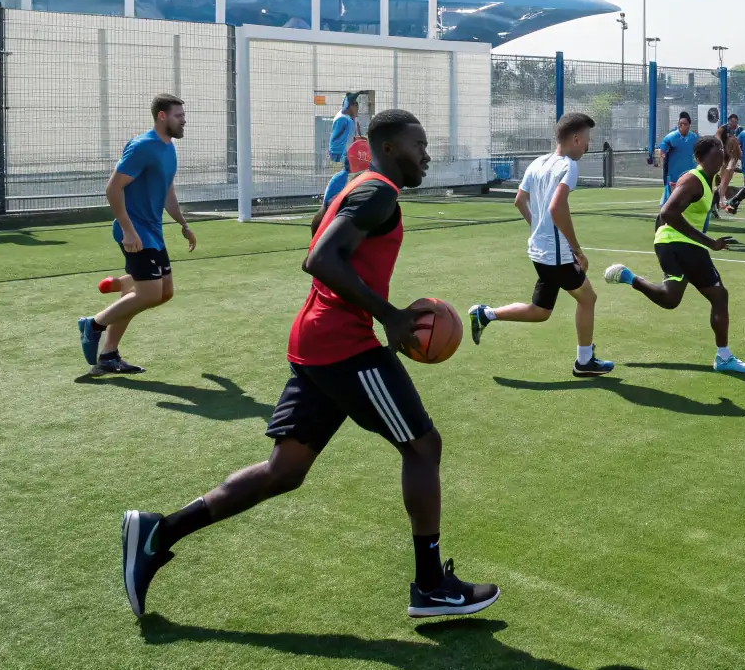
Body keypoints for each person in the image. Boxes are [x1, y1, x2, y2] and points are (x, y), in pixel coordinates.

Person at [120, 109, 499, 620]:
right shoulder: (378, 191)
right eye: (419, 145)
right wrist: (387, 314)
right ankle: (431, 586)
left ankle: (159, 532)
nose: (427, 155)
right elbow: (319, 256)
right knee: (423, 447)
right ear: (389, 148)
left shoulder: (359, 185)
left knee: (284, 471)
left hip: (317, 339)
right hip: (344, 345)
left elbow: (322, 234)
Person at [468, 113, 614, 377]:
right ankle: (584, 361)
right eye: (587, 140)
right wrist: (577, 250)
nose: (588, 146)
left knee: (541, 311)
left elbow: (519, 200)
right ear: (576, 138)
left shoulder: (538, 163)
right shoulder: (568, 165)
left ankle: (485, 314)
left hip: (539, 251)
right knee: (588, 298)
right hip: (556, 255)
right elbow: (557, 207)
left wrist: (538, 228)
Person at [603, 135, 745, 374]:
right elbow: (668, 212)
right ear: (701, 158)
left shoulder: (707, 181)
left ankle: (629, 278)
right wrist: (709, 243)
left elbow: (665, 216)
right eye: (715, 152)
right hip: (683, 244)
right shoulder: (693, 180)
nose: (720, 155)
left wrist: (661, 239)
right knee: (719, 296)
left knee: (671, 299)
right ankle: (724, 358)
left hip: (675, 244)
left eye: (721, 152)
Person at [77, 94, 196, 376]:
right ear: (162, 116)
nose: (184, 120)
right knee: (148, 292)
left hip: (153, 232)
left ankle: (108, 354)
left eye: (183, 115)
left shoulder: (169, 149)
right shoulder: (144, 146)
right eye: (178, 115)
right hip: (135, 232)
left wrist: (183, 223)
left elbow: (167, 192)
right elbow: (112, 189)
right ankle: (93, 324)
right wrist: (128, 230)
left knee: (162, 293)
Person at [322, 94, 365, 206]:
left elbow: (355, 136)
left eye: (356, 105)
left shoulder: (351, 119)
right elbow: (338, 141)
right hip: (341, 158)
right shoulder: (342, 119)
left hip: (347, 158)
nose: (356, 108)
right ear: (348, 105)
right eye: (354, 105)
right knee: (341, 182)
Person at [657, 112, 698, 205]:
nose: (682, 126)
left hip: (689, 174)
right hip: (674, 175)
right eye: (680, 124)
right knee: (670, 201)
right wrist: (662, 157)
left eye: (685, 124)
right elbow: (662, 152)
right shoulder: (671, 138)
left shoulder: (694, 137)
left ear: (689, 125)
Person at [713, 113, 742, 215]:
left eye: (735, 121)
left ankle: (721, 199)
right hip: (724, 156)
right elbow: (717, 139)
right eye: (731, 121)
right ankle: (721, 200)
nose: (733, 123)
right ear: (728, 121)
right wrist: (721, 150)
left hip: (732, 157)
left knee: (727, 178)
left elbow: (738, 145)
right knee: (723, 179)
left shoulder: (739, 130)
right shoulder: (723, 129)